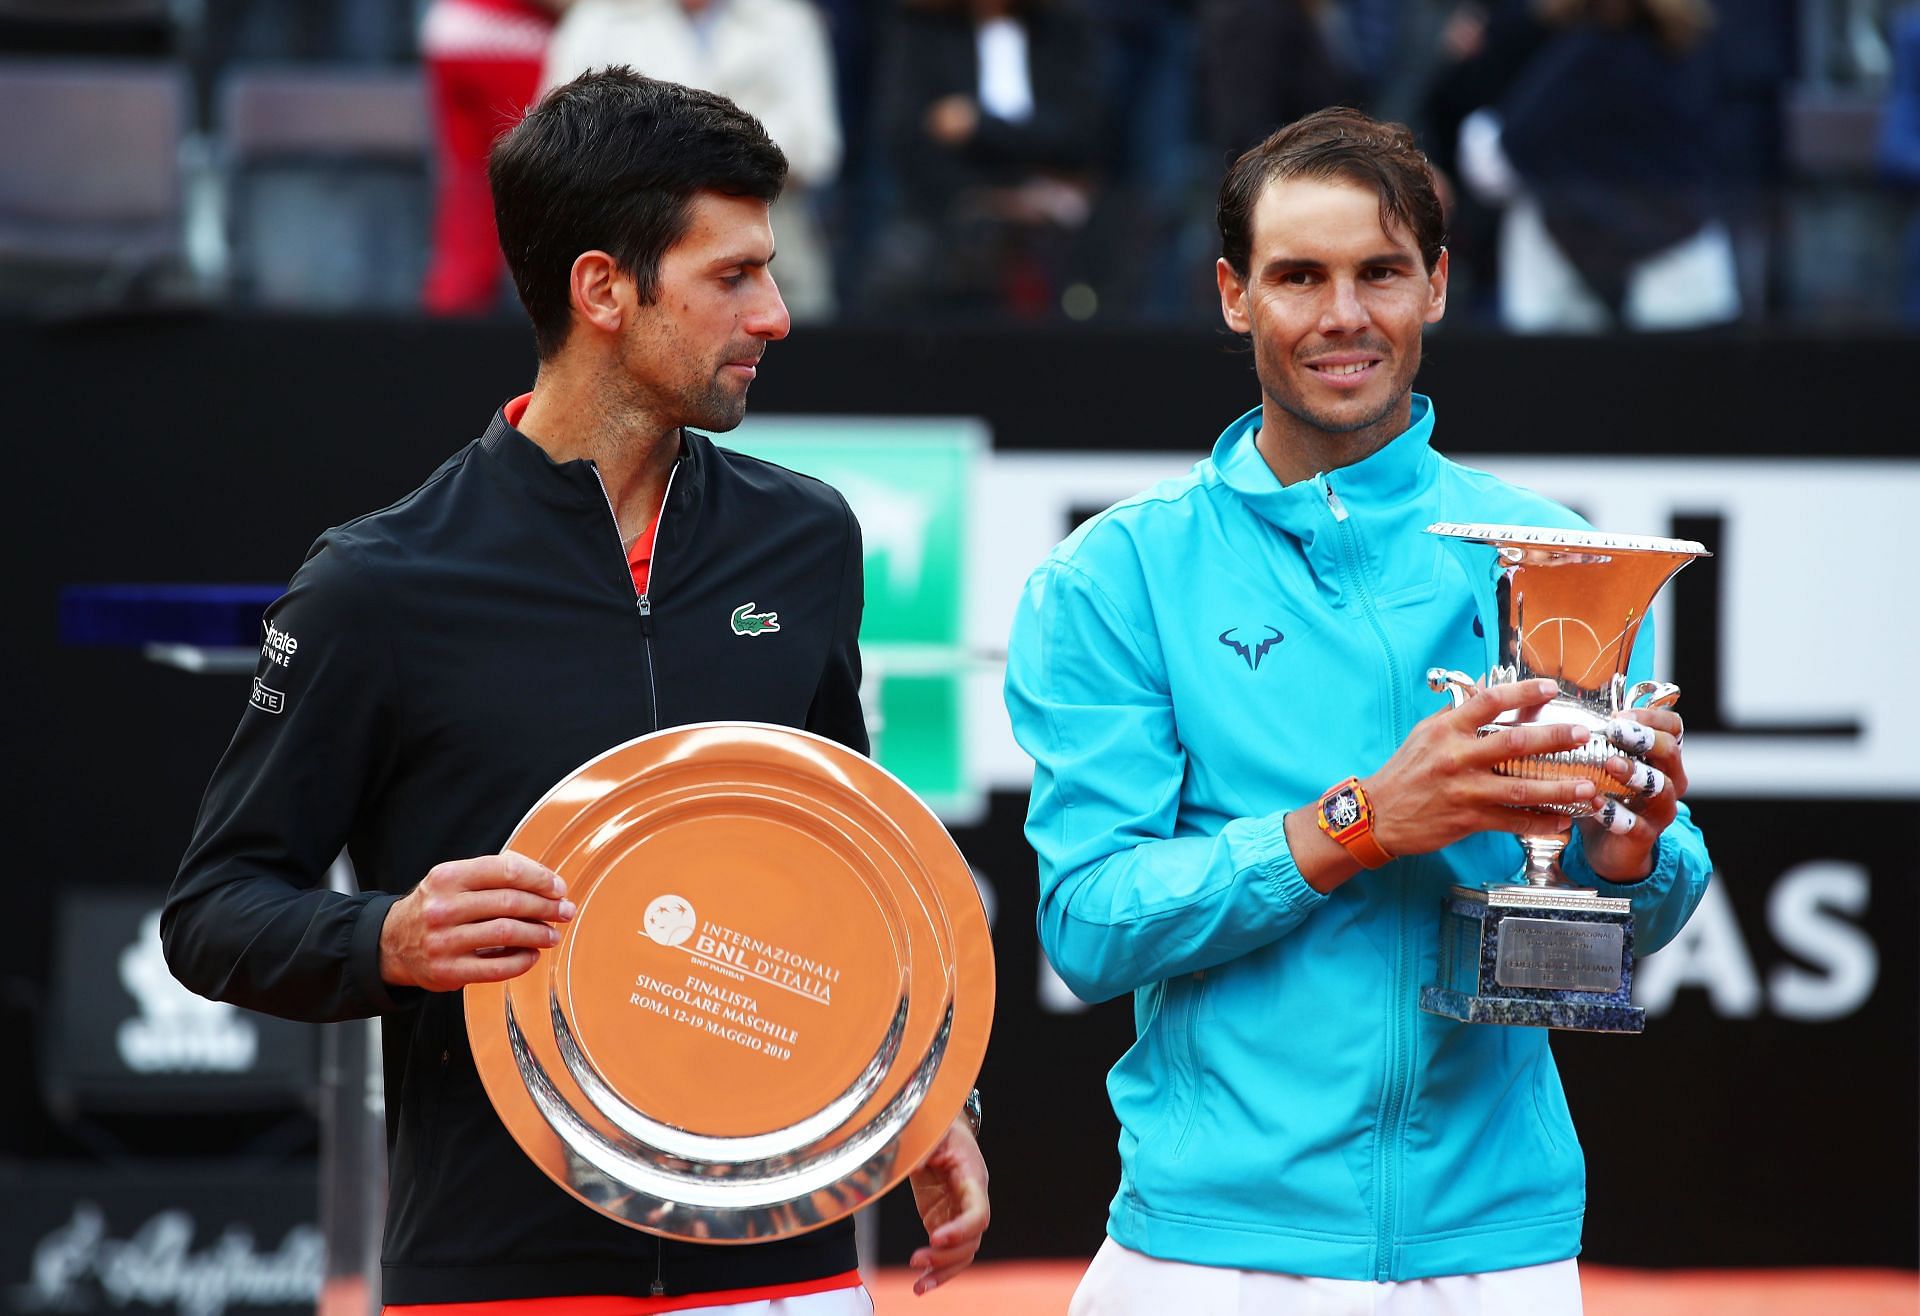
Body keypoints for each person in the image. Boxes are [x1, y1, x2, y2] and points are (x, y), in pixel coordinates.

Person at [163, 68, 988, 1312]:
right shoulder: (379, 580)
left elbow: (849, 881)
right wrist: (387, 937)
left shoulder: (807, 540)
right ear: (603, 288)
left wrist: (929, 1102)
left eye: (768, 269)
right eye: (732, 276)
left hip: (778, 1263)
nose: (774, 313)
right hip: (499, 1271)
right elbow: (215, 909)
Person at [1003, 106, 1710, 1314]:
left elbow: (1648, 899)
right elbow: (1088, 925)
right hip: (1209, 1253)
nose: (1343, 316)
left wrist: (1629, 848)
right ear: (1235, 296)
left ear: (1435, 285)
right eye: (1299, 276)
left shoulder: (1555, 552)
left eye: (1379, 271)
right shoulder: (1116, 575)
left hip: (1498, 1249)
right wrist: (1360, 819)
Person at [542, 0, 844, 322]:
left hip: (772, 237)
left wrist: (669, 154)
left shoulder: (788, 21)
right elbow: (561, 140)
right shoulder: (597, 19)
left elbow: (816, 149)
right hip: (631, 239)